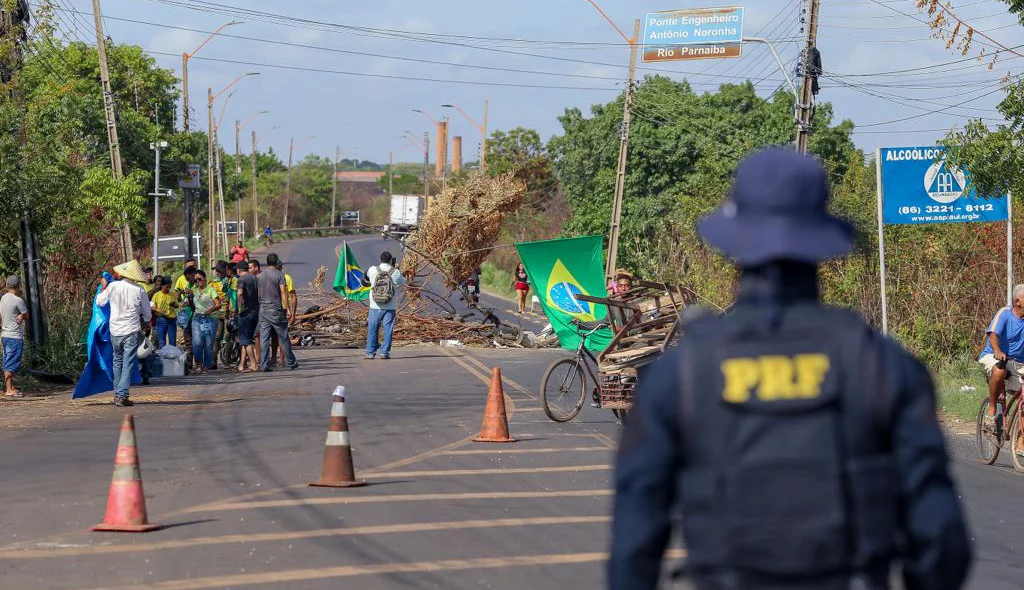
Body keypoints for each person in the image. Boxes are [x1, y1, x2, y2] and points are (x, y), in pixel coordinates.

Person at [608, 148, 972, 590]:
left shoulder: (679, 375)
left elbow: (632, 546)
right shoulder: (884, 366)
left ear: (734, 242)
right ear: (820, 238)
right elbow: (941, 540)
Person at [95, 261, 152, 407]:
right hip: (131, 330)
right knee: (127, 363)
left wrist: (103, 287)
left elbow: (100, 302)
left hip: (115, 330)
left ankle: (118, 394)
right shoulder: (139, 290)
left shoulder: (113, 286)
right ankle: (122, 395)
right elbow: (147, 314)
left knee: (117, 362)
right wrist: (146, 322)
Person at [978, 289, 1024, 429]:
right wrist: (997, 350)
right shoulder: (1005, 313)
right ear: (1018, 302)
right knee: (999, 370)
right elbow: (993, 335)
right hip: (994, 355)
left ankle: (1020, 441)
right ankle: (992, 410)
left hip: (1018, 362)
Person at [257, 253, 298, 371]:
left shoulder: (261, 275)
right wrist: (287, 308)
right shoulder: (280, 275)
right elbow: (283, 292)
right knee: (283, 336)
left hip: (263, 309)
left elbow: (258, 292)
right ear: (276, 262)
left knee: (264, 338)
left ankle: (264, 365)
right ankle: (291, 362)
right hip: (276, 309)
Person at [365, 251, 405, 360]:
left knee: (373, 328)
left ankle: (370, 352)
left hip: (374, 305)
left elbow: (365, 280)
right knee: (388, 329)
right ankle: (384, 352)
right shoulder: (395, 272)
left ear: (380, 259)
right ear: (390, 260)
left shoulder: (372, 269)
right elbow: (403, 282)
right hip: (389, 306)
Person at [189, 269, 221, 375]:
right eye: (196, 280)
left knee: (208, 344)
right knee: (197, 343)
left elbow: (218, 304)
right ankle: (198, 365)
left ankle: (206, 366)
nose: (198, 282)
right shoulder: (194, 289)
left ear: (205, 279)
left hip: (210, 319)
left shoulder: (211, 290)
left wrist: (209, 311)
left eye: (200, 279)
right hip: (197, 318)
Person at [1, 275, 29, 399]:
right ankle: (9, 389)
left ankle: (9, 387)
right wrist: (22, 316)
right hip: (15, 336)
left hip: (5, 335)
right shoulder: (18, 300)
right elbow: (27, 315)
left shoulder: (3, 299)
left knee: (7, 360)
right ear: (18, 286)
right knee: (11, 362)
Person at [235, 261, 260, 372]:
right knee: (249, 339)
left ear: (238, 270)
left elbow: (240, 293)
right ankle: (247, 364)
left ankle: (254, 364)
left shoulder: (241, 280)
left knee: (246, 340)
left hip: (245, 313)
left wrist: (239, 307)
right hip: (256, 311)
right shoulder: (255, 278)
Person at [150, 277, 178, 348]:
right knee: (161, 343)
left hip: (172, 320)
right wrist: (158, 310)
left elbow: (177, 305)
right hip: (161, 320)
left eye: (170, 286)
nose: (168, 288)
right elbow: (151, 307)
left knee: (172, 343)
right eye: (167, 287)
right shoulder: (157, 295)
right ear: (162, 285)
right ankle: (163, 358)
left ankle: (172, 358)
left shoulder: (172, 294)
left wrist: (174, 305)